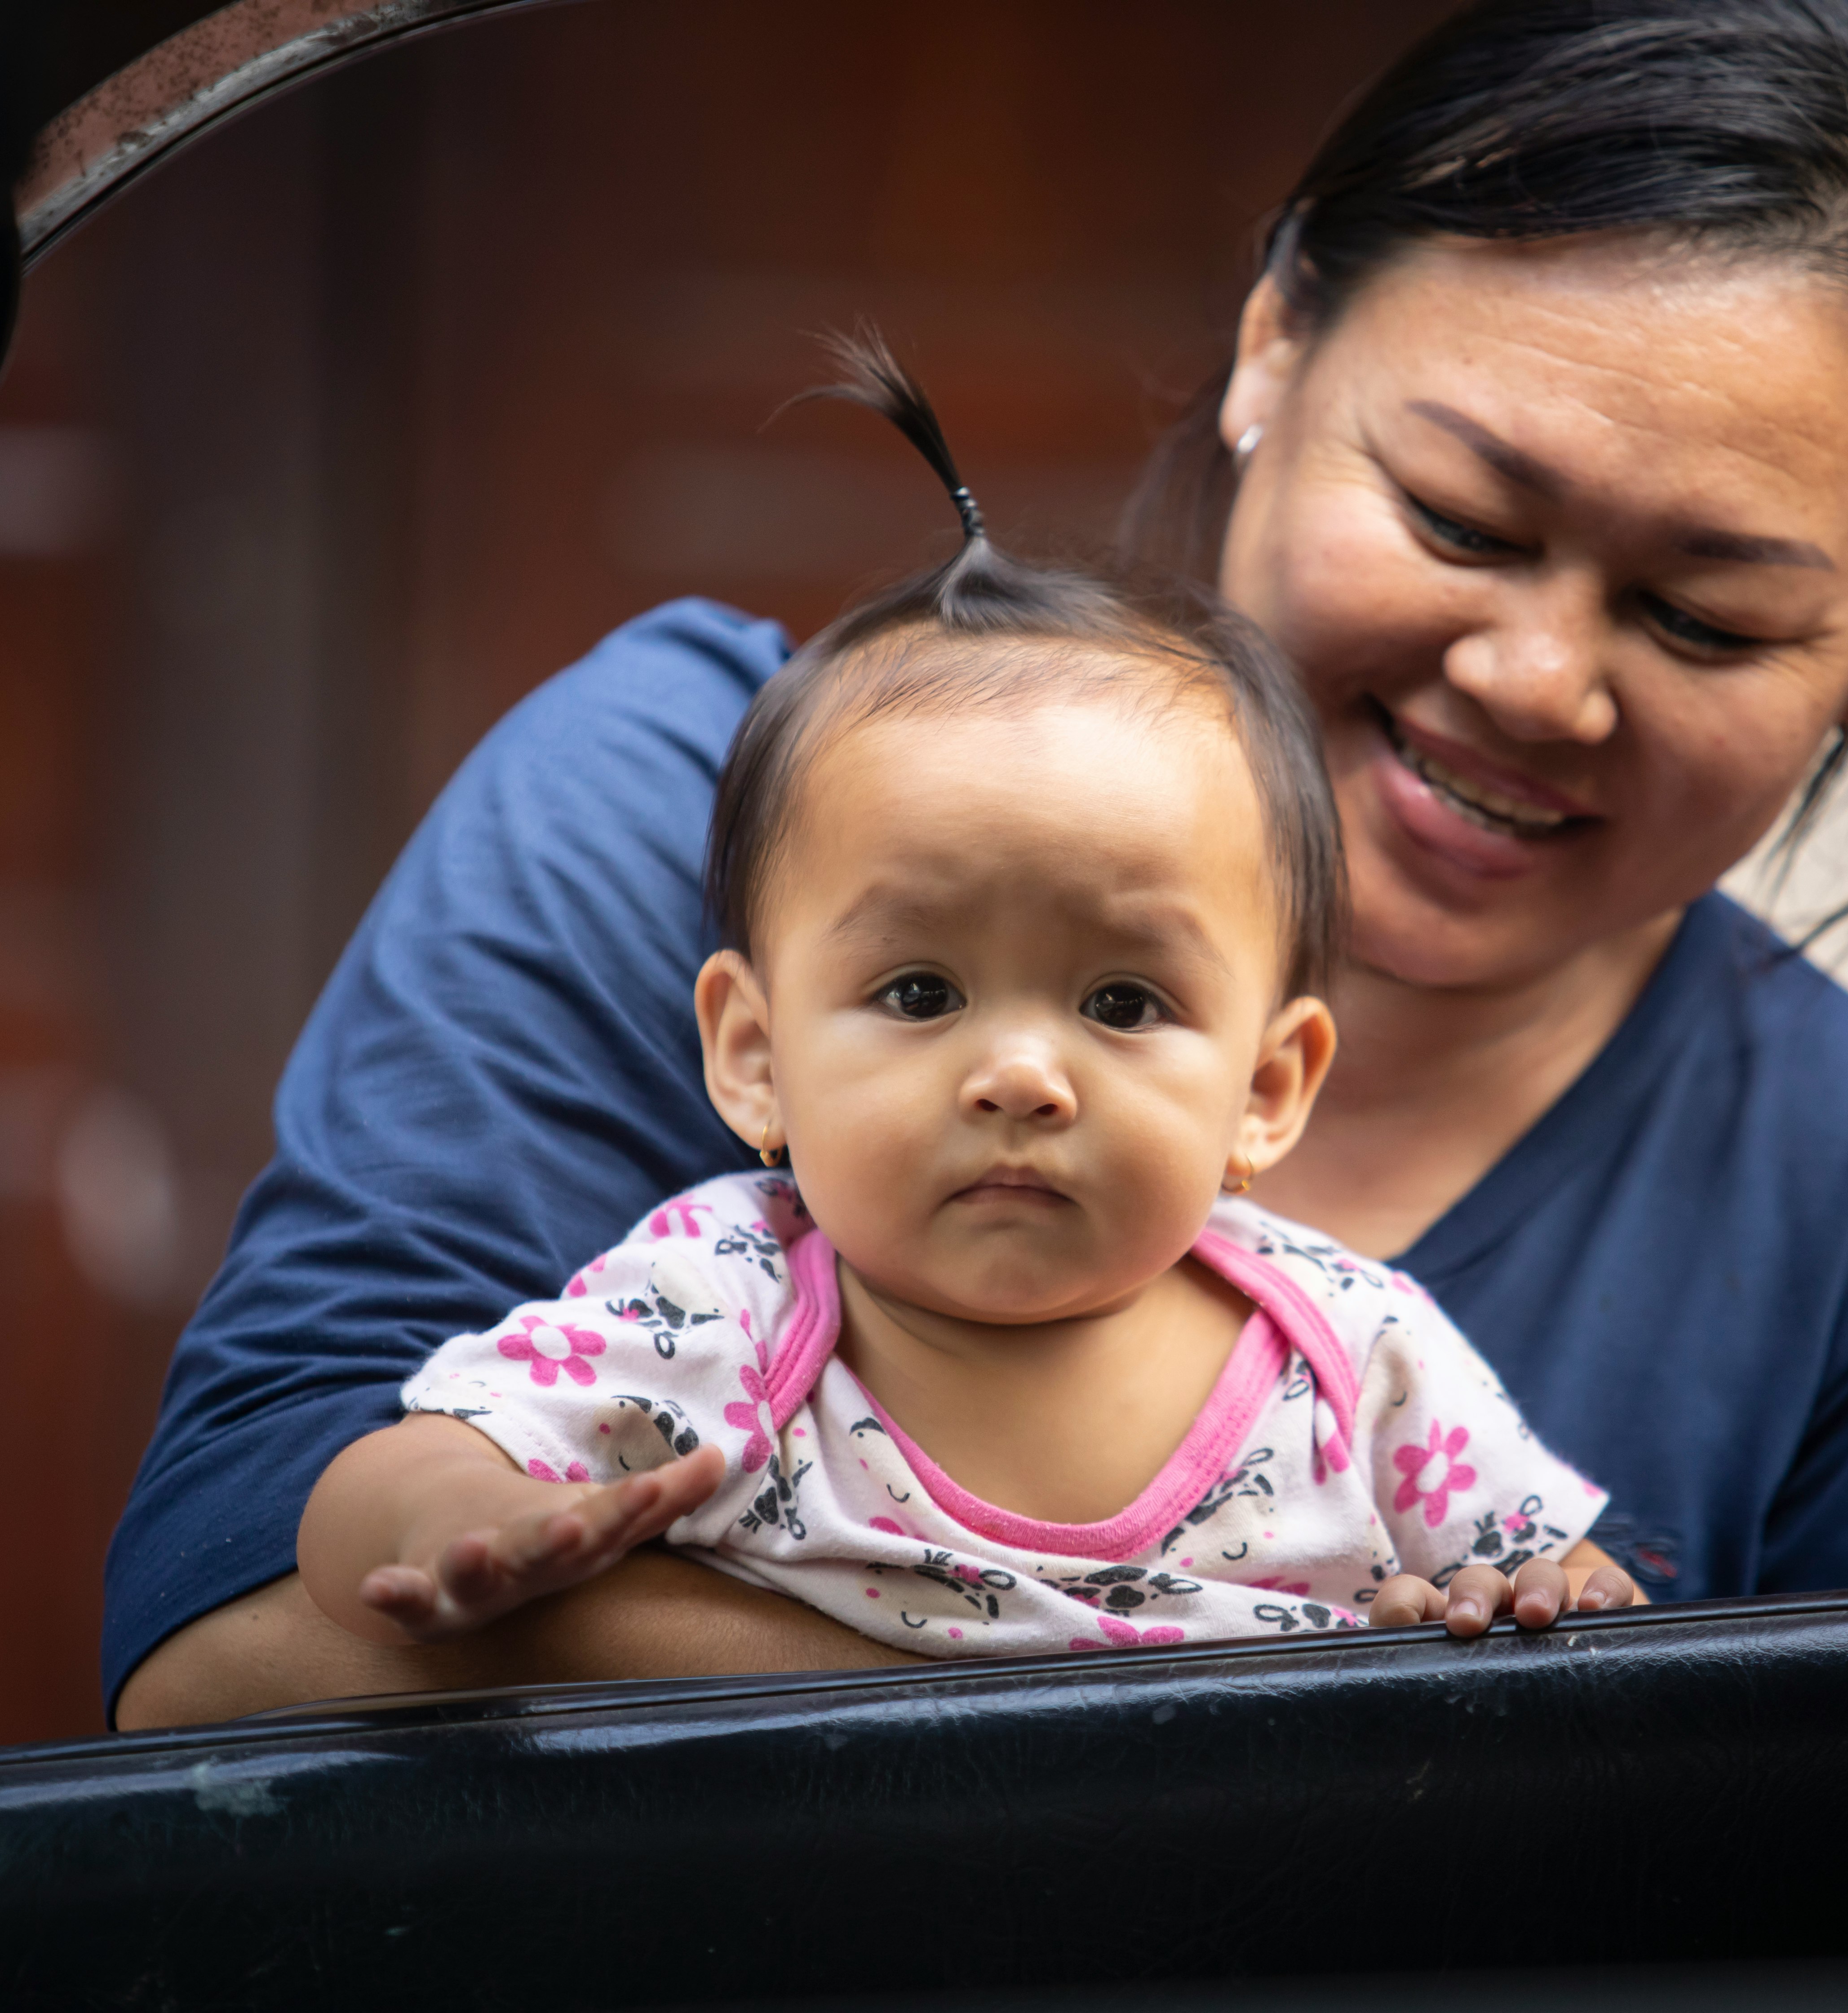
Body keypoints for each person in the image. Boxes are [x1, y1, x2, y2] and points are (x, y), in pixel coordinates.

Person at [110, 0, 1848, 1729]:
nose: (1540, 678)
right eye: (1460, 513)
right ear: (1278, 341)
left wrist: (658, 1655)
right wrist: (1299, 1733)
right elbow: (232, 1645)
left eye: (1708, 619)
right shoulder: (668, 820)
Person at [294, 347, 1637, 1656]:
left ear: (1267, 1088)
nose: (1020, 1077)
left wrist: (1530, 1606)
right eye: (921, 991)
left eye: (1121, 1002)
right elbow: (369, 1504)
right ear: (755, 1057)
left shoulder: (1354, 1352)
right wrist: (473, 1526)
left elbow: (1560, 1592)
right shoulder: (719, 1315)